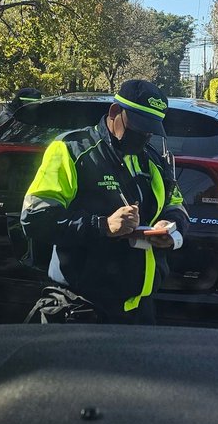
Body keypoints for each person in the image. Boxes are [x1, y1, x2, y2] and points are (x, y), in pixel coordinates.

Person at [13, 79, 189, 324]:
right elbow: (35, 218)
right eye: (137, 127)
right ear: (115, 112)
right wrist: (103, 226)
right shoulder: (71, 149)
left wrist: (170, 229)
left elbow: (177, 205)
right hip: (82, 308)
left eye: (150, 131)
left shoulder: (153, 160)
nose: (143, 136)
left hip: (140, 308)